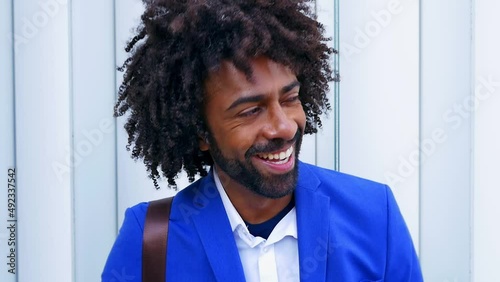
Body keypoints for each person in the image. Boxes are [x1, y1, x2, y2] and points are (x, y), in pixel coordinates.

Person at [102, 0, 423, 281]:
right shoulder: (151, 240)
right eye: (251, 111)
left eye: (290, 98)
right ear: (200, 132)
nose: (283, 127)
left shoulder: (373, 216)